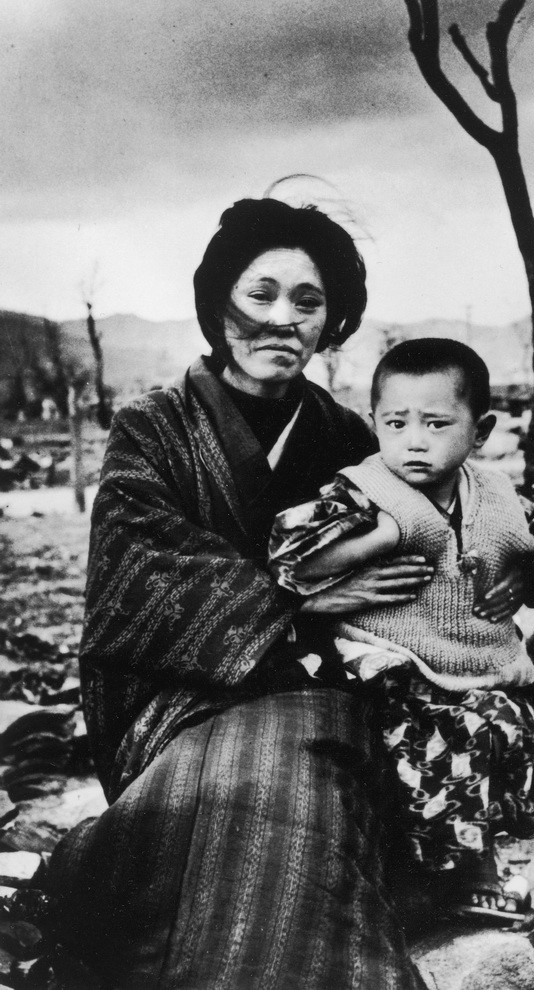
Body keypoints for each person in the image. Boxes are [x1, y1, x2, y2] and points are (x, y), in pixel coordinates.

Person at [45, 197, 453, 989]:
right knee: (275, 772)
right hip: (175, 701)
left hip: (325, 691)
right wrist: (302, 607)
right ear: (217, 302)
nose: (281, 319)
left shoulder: (350, 440)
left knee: (297, 761)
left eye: (309, 302)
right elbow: (143, 574)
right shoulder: (153, 431)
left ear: (332, 321)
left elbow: (436, 523)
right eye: (260, 293)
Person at [269, 339, 534, 956]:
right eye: (395, 424)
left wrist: (526, 570)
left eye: (436, 424)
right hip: (390, 669)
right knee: (472, 737)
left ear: (479, 431)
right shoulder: (363, 491)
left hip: (472, 667)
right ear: (374, 423)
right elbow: (292, 562)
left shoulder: (494, 493)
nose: (414, 442)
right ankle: (463, 881)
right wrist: (380, 537)